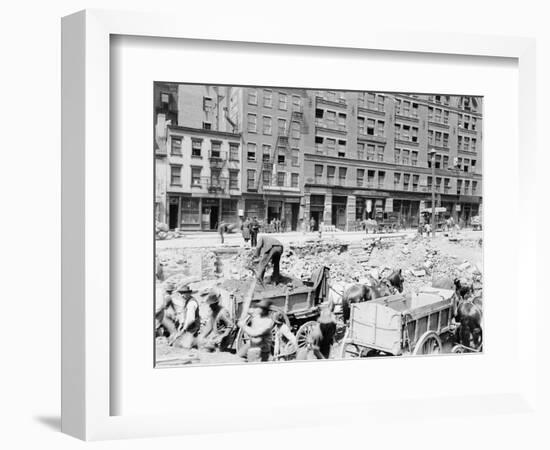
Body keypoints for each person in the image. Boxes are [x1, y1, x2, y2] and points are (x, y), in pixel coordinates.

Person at [170, 284, 201, 349]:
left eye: (183, 293)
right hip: (189, 327)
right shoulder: (187, 301)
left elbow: (191, 319)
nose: (181, 295)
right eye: (181, 293)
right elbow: (184, 315)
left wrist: (184, 328)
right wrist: (181, 325)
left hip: (193, 328)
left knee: (186, 346)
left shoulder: (191, 303)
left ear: (188, 293)